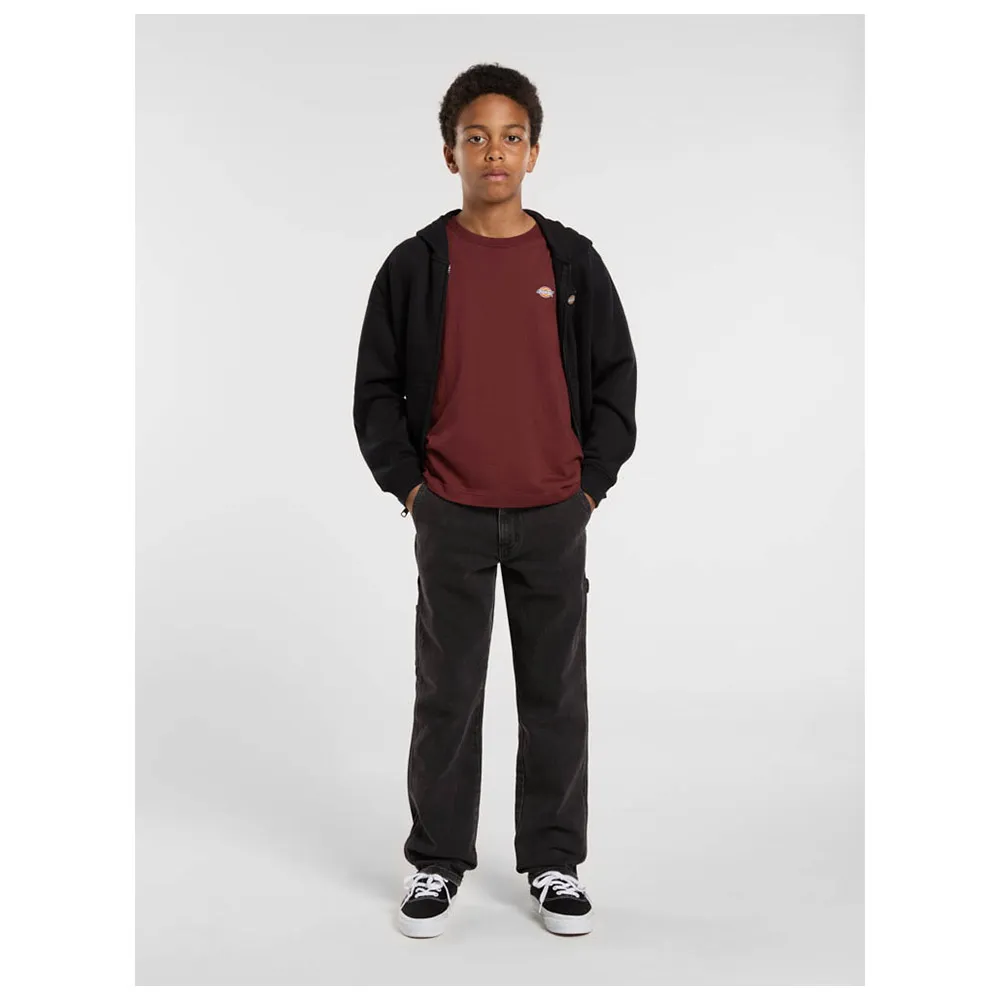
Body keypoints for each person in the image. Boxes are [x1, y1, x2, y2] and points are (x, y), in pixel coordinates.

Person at [352, 62, 637, 938]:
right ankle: (436, 862)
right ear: (451, 154)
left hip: (554, 512)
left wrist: (589, 489)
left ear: (534, 152)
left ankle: (554, 863)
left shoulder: (572, 261)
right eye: (476, 137)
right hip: (452, 514)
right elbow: (375, 392)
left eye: (511, 137)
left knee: (555, 694)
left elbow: (615, 380)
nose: (494, 152)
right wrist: (414, 492)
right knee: (448, 695)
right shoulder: (415, 265)